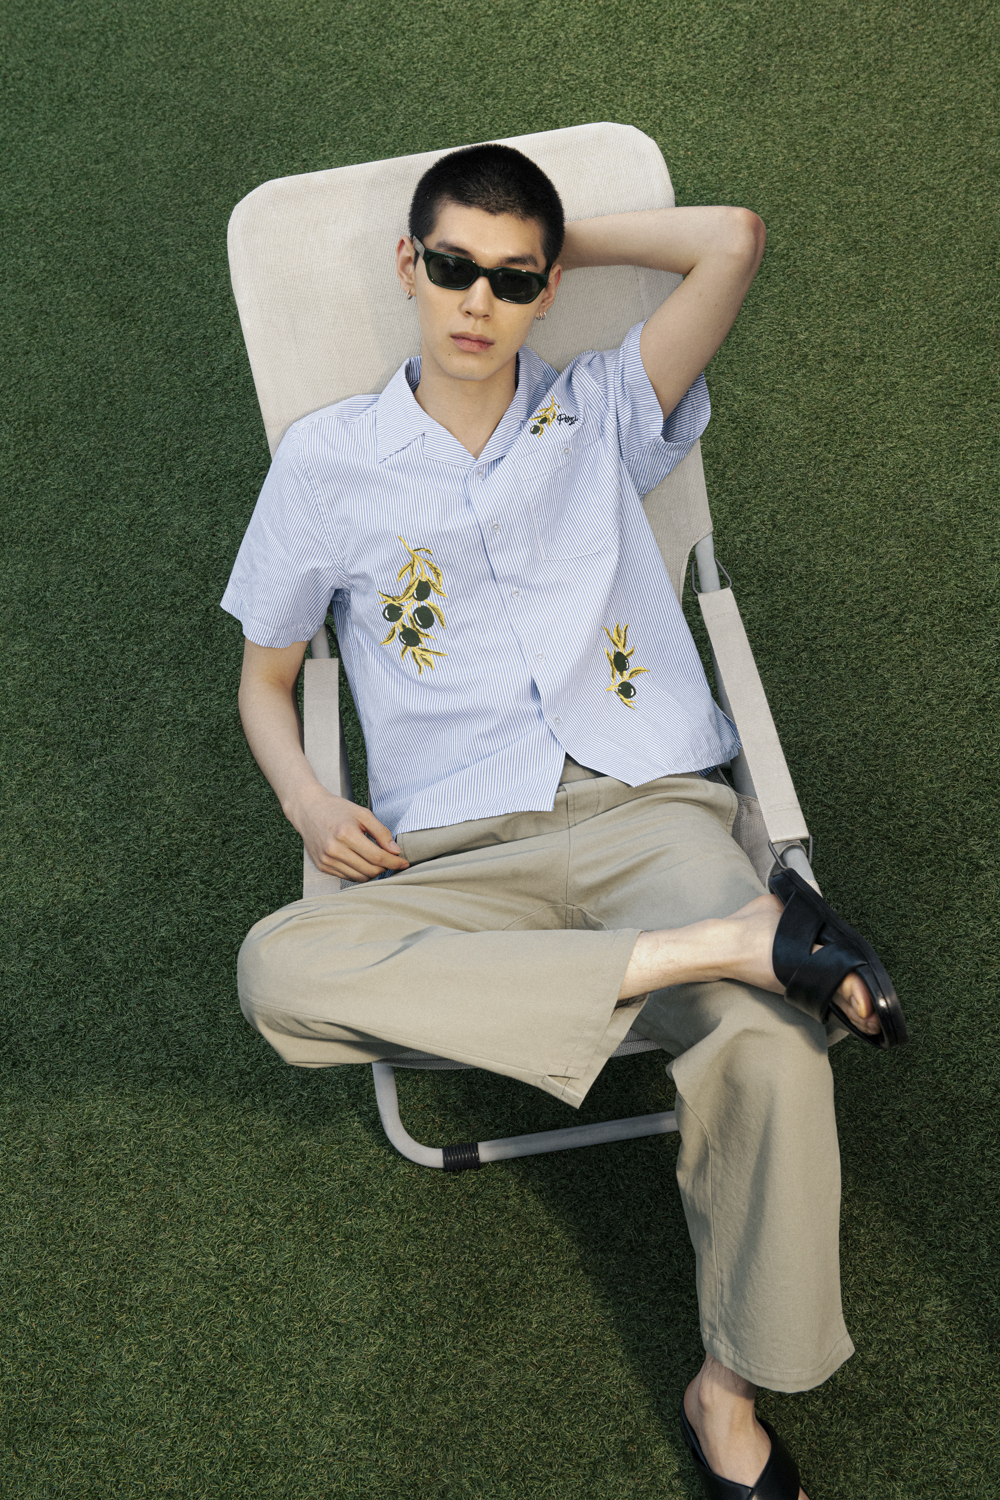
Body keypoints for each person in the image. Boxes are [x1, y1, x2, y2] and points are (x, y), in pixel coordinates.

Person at [222, 143, 904, 1500]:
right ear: (407, 266)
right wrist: (308, 794)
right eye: (453, 267)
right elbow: (267, 676)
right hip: (457, 853)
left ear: (545, 288)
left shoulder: (603, 409)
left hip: (651, 813)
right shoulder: (328, 462)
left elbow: (733, 237)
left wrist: (557, 245)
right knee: (277, 970)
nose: (478, 300)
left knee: (775, 1053)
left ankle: (728, 1394)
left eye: (513, 278)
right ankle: (725, 947)